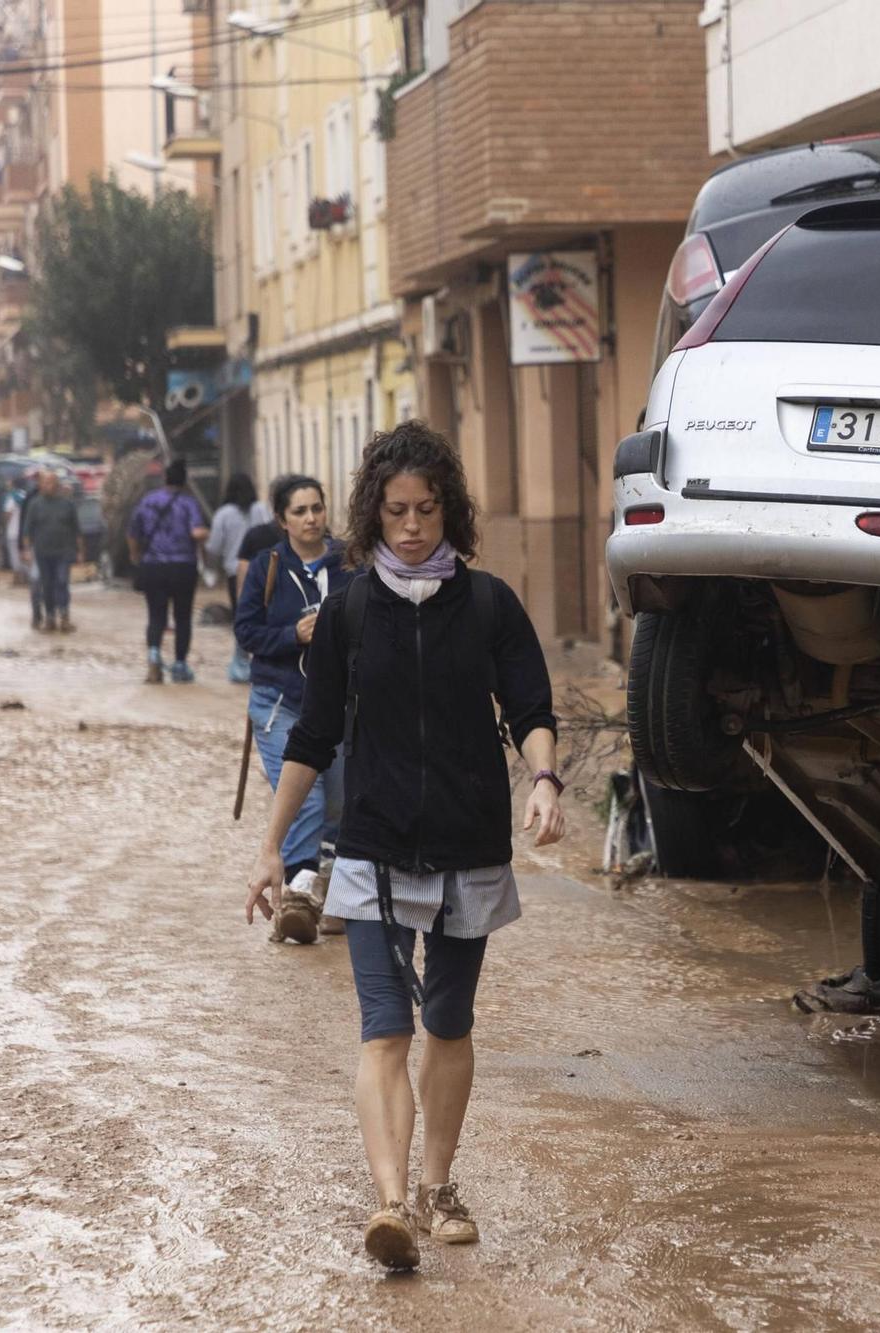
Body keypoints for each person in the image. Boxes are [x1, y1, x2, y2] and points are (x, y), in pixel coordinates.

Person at [244, 422, 566, 1272]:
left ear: (448, 511)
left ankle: (437, 1186)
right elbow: (313, 736)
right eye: (396, 512)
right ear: (373, 514)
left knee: (448, 1024)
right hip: (373, 852)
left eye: (427, 510)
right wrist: (272, 845)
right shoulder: (349, 611)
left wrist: (543, 781)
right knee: (384, 1030)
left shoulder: (490, 603)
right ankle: (390, 1205)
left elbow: (533, 708)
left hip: (469, 848)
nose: (413, 526)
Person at [234, 474, 346, 942]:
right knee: (306, 797)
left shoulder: (348, 564)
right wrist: (292, 635)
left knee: (340, 801)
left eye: (317, 508)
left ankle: (333, 892)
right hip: (280, 704)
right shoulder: (267, 567)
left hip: (340, 704)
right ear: (282, 519)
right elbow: (246, 632)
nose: (311, 518)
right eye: (299, 511)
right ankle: (298, 897)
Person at [128, 458, 209, 684]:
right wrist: (207, 537)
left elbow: (133, 533)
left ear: (165, 478)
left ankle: (154, 655)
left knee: (156, 616)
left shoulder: (148, 501)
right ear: (185, 481)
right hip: (184, 567)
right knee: (182, 617)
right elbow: (197, 533)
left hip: (153, 567)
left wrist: (135, 556)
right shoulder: (189, 503)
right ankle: (180, 665)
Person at [207, 473, 272, 683]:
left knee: (242, 617)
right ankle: (265, 662)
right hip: (267, 570)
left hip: (237, 573)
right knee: (269, 615)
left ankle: (242, 662)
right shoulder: (262, 509)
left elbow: (214, 546)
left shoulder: (223, 514)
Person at [19, 469, 81, 633]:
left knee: (62, 582)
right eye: (44, 483)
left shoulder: (67, 504)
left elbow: (76, 530)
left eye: (50, 483)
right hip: (42, 552)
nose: (47, 486)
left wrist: (81, 551)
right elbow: (27, 530)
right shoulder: (35, 505)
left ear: (57, 485)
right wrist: (27, 550)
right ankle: (50, 617)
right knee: (46, 585)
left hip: (63, 552)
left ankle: (65, 616)